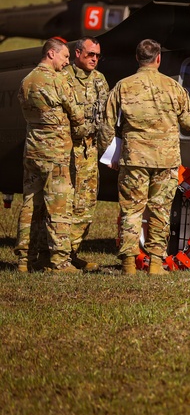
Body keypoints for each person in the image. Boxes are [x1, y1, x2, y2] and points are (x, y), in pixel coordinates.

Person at [105, 39, 190, 276]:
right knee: (160, 210)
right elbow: (189, 123)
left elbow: (106, 126)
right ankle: (156, 263)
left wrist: (111, 154)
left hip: (133, 159)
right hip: (165, 160)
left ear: (137, 58)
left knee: (131, 210)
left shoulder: (123, 86)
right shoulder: (173, 86)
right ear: (158, 58)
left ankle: (128, 263)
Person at [15, 37, 87, 273]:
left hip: (32, 150)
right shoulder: (58, 81)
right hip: (55, 153)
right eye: (65, 57)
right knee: (58, 205)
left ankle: (25, 259)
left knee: (30, 204)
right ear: (51, 54)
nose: (67, 62)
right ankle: (59, 261)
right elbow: (77, 115)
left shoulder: (26, 81)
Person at [64, 37, 111, 272]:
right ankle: (56, 255)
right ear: (77, 53)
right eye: (90, 54)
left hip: (90, 152)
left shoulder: (99, 80)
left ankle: (71, 253)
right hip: (67, 150)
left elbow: (105, 116)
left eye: (97, 55)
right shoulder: (64, 78)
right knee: (63, 205)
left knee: (87, 205)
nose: (94, 59)